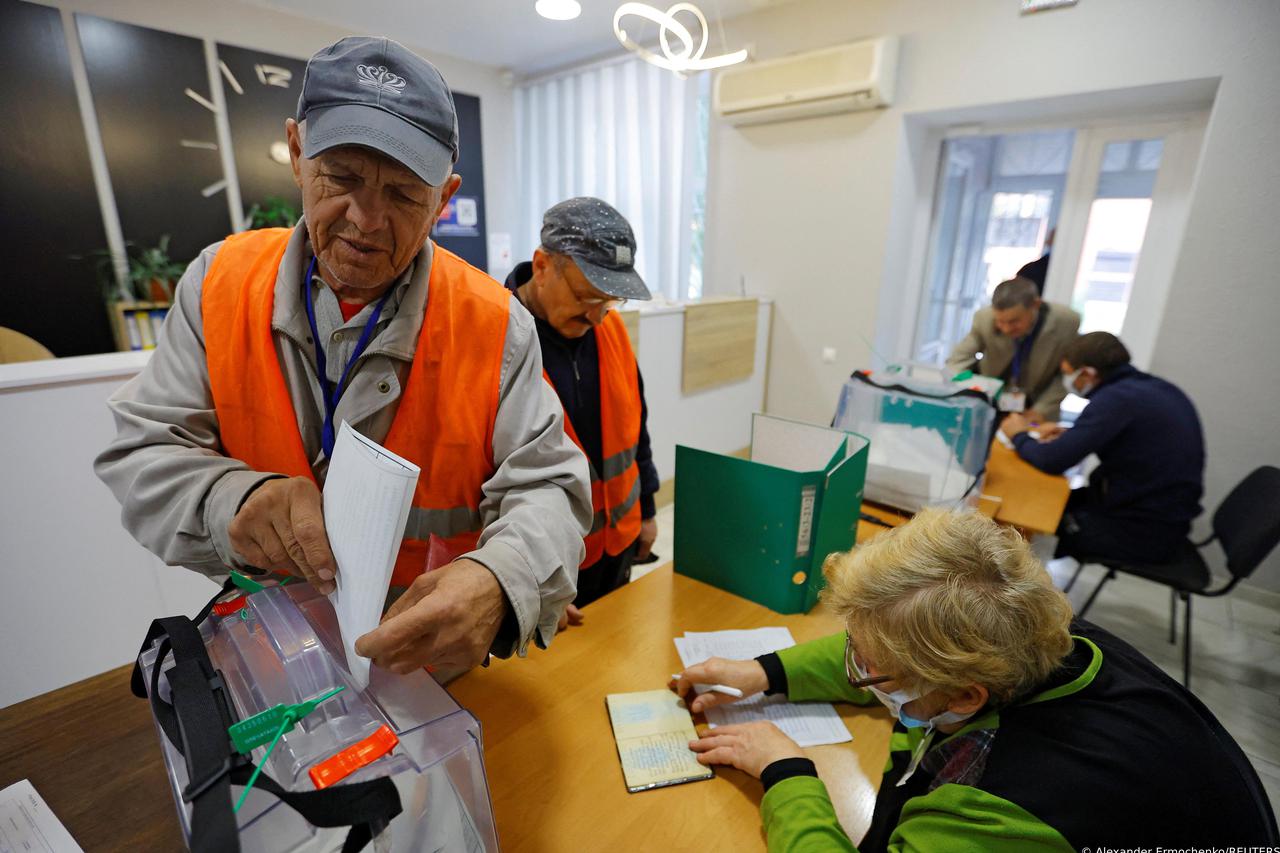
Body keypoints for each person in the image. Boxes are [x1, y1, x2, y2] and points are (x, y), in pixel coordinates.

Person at [94, 36, 592, 674]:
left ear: (444, 199)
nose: (366, 218)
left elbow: (549, 485)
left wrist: (500, 578)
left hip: (423, 660)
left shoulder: (496, 323)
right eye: (342, 177)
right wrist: (230, 501)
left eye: (406, 194)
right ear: (299, 154)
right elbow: (143, 451)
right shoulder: (217, 282)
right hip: (267, 647)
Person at [673, 509, 1277, 851]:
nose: (856, 669)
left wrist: (787, 772)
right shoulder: (1037, 633)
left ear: (964, 694)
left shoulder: (1005, 809)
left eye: (868, 667)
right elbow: (890, 649)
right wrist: (762, 672)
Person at [504, 198, 659, 624]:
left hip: (617, 547)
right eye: (586, 296)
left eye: (609, 301)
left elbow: (635, 430)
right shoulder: (494, 341)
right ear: (541, 265)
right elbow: (479, 479)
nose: (596, 315)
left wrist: (646, 510)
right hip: (548, 569)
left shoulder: (611, 330)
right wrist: (519, 578)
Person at [1001, 331, 1205, 564]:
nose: (1067, 382)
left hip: (1142, 531)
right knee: (1038, 500)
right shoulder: (1152, 388)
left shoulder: (1115, 400)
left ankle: (1022, 588)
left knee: (1029, 511)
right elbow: (1132, 439)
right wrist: (1072, 434)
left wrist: (1018, 435)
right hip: (1161, 516)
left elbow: (1052, 461)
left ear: (1087, 373)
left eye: (1068, 374)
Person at [946, 277, 1080, 421]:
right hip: (991, 400)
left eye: (1014, 321)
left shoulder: (1066, 323)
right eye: (1000, 321)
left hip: (1039, 404)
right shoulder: (984, 318)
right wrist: (966, 391)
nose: (1006, 328)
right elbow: (959, 360)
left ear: (1036, 305)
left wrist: (1040, 411)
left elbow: (1064, 374)